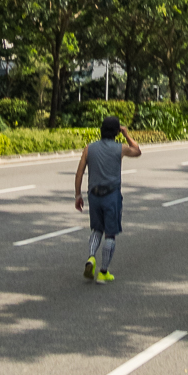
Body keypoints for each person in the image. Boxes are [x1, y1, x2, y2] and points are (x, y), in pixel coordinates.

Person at [74, 116, 141, 283]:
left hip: (93, 195)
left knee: (96, 229)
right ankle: (103, 271)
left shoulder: (89, 148)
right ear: (117, 131)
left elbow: (80, 172)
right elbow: (138, 150)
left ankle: (91, 257)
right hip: (111, 196)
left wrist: (78, 195)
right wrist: (126, 135)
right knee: (110, 235)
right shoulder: (120, 148)